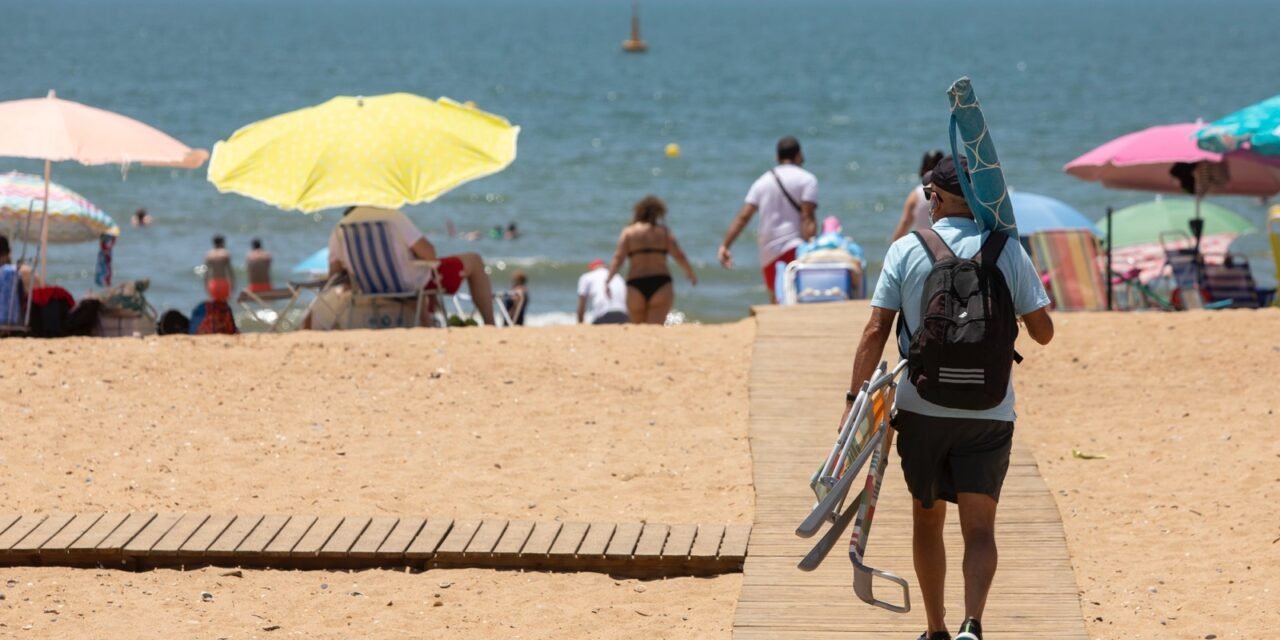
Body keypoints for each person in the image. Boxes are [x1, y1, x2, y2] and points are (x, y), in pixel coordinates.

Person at [842, 155, 1054, 640]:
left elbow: (875, 329)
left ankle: (936, 629)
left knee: (928, 518)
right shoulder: (1007, 250)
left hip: (921, 409)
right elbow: (1043, 333)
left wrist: (854, 402)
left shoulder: (906, 249)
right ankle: (972, 624)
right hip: (990, 410)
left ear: (935, 199)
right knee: (980, 529)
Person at [327, 206, 496, 326]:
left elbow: (335, 272)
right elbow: (430, 254)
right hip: (409, 284)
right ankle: (490, 323)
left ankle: (427, 321)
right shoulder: (393, 217)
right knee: (474, 260)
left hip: (368, 288)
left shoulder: (340, 227)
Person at [718, 136, 818, 303]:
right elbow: (807, 218)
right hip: (797, 247)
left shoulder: (762, 182)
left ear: (777, 157)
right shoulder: (807, 180)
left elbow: (744, 216)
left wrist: (725, 245)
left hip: (769, 249)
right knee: (800, 296)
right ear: (799, 155)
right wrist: (813, 247)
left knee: (777, 296)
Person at [606, 195, 697, 325]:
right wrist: (690, 273)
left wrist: (608, 279)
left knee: (638, 328)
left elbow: (618, 258)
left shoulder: (629, 232)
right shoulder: (664, 232)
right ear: (659, 213)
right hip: (661, 283)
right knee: (655, 329)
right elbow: (679, 255)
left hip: (635, 283)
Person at [892, 150, 945, 241]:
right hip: (946, 244)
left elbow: (905, 223)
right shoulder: (949, 193)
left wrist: (893, 248)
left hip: (924, 246)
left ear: (923, 168)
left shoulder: (916, 195)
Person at [576, 259, 628, 324]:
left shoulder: (586, 277)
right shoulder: (617, 276)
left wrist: (580, 322)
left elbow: (582, 303)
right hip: (624, 316)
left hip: (604, 316)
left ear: (591, 269)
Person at [204, 235, 234, 303]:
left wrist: (206, 286)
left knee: (214, 305)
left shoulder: (209, 254)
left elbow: (206, 272)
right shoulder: (225, 253)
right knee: (224, 305)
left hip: (213, 284)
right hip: (223, 283)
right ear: (222, 243)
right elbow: (230, 272)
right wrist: (232, 286)